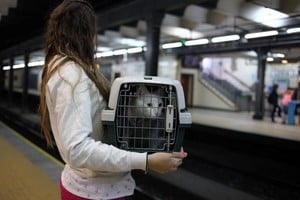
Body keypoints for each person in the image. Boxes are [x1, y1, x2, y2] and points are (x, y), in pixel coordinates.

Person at [38, 1, 187, 199]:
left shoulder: (72, 70)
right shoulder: (72, 75)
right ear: (85, 33)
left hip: (96, 187)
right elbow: (78, 149)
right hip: (93, 192)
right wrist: (146, 161)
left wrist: (163, 147)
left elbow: (103, 128)